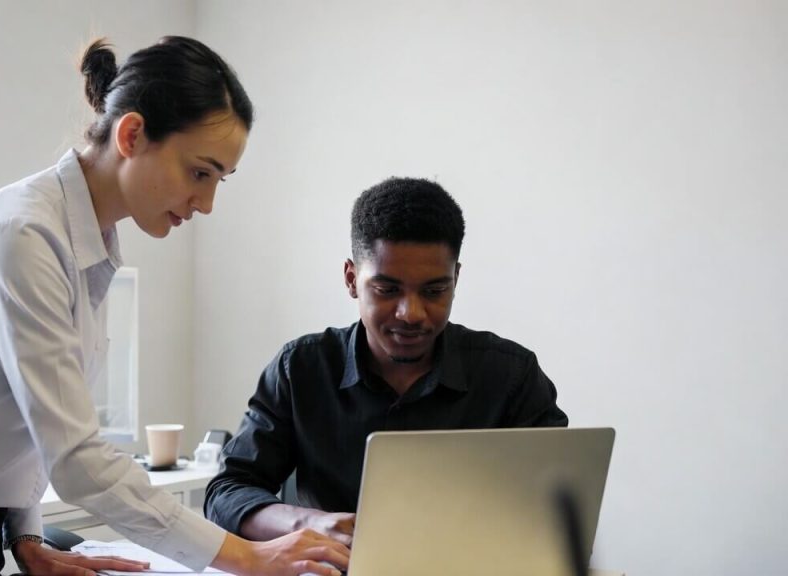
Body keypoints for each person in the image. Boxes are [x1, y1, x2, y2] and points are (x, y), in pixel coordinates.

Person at [0, 36, 348, 576]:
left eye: (220, 179)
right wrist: (248, 557)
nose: (206, 202)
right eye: (200, 172)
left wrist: (24, 534)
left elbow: (25, 419)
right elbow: (77, 460)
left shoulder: (89, 244)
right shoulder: (24, 234)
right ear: (131, 135)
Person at [204, 177, 569, 546]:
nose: (411, 313)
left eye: (434, 290)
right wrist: (308, 524)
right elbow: (228, 491)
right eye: (387, 290)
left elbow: (563, 511)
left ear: (455, 280)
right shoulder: (300, 368)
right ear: (351, 279)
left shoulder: (510, 375)